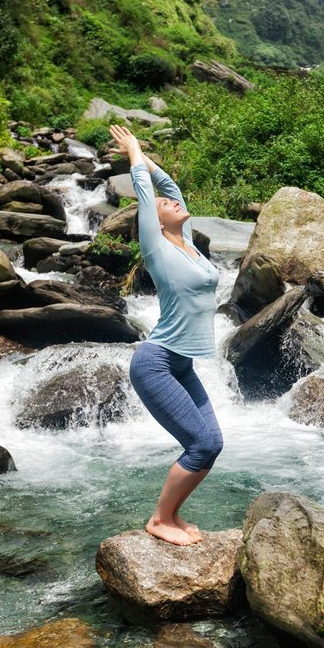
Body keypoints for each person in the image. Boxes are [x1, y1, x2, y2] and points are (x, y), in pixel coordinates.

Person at [109, 124, 222, 546]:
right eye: (163, 204)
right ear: (153, 220)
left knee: (212, 444)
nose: (172, 201)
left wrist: (150, 163)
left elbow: (167, 185)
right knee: (199, 444)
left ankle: (172, 515)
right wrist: (134, 152)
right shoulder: (156, 246)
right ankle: (159, 520)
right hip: (155, 363)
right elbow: (145, 191)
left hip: (180, 364)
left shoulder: (186, 241)